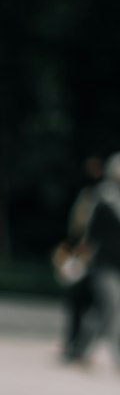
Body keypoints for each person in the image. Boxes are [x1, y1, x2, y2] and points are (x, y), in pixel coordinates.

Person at [54, 156, 101, 362]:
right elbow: (78, 227)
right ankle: (73, 346)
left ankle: (76, 347)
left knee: (85, 305)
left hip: (90, 257)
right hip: (84, 256)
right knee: (78, 304)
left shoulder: (98, 195)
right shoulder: (90, 194)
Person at [85, 153, 120, 368]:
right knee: (113, 307)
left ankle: (81, 350)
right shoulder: (105, 197)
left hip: (116, 264)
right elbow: (92, 233)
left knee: (104, 311)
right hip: (105, 264)